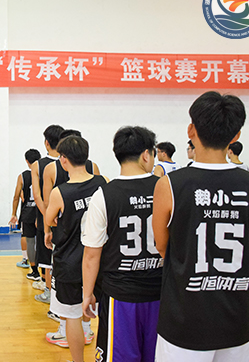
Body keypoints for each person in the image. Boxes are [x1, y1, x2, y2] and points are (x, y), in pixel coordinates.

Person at [153, 91, 249, 361]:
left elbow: (162, 246)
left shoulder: (169, 185)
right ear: (236, 135)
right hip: (235, 318)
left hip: (184, 318)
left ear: (191, 130)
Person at [83, 126, 161, 362]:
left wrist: (87, 294)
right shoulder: (166, 188)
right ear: (146, 155)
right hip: (161, 293)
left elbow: (92, 254)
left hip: (120, 296)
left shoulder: (103, 195)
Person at [44, 135, 106, 362]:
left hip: (69, 263)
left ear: (63, 159)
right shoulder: (103, 182)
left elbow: (49, 219)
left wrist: (50, 230)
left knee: (71, 316)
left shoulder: (60, 192)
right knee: (100, 312)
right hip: (98, 261)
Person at [31, 124, 65, 305]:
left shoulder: (38, 165)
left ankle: (48, 291)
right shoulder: (69, 162)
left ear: (46, 143)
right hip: (67, 217)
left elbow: (38, 197)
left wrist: (48, 217)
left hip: (47, 218)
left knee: (46, 254)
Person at [9, 148, 41, 277]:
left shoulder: (22, 176)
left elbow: (16, 197)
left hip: (28, 212)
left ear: (27, 161)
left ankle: (34, 271)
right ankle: (46, 270)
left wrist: (14, 214)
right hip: (41, 211)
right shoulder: (45, 172)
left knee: (30, 241)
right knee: (43, 241)